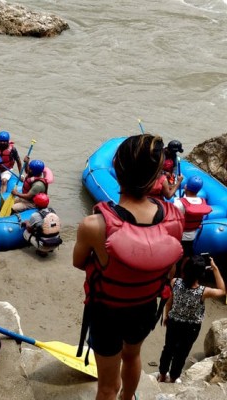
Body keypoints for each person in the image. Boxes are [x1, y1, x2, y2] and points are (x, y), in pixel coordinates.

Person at [73, 134, 184, 400]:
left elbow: (79, 262)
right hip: (145, 307)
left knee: (106, 387)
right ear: (157, 176)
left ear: (117, 172)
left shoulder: (94, 225)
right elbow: (169, 269)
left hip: (107, 312)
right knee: (133, 356)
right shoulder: (175, 220)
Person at [157, 255, 225, 384]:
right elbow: (222, 291)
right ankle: (173, 378)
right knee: (181, 353)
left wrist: (167, 316)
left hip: (174, 322)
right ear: (201, 274)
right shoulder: (203, 291)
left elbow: (169, 302)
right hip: (191, 328)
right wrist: (215, 269)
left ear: (185, 270)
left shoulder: (175, 282)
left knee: (168, 349)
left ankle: (161, 375)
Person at [173, 175, 212, 274]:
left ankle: (173, 275)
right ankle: (183, 272)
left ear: (185, 186)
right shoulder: (202, 201)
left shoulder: (178, 203)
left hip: (179, 236)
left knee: (175, 256)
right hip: (191, 236)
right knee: (186, 255)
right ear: (199, 190)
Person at [21, 193, 62, 257]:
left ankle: (42, 252)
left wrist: (26, 222)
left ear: (36, 204)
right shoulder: (53, 211)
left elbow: (29, 229)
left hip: (44, 245)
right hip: (56, 243)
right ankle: (50, 249)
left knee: (25, 233)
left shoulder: (35, 215)